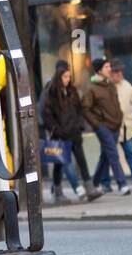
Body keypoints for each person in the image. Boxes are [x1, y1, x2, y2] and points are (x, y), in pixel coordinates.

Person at [42, 59, 102, 202]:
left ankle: (89, 189)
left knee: (81, 160)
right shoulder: (51, 93)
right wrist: (56, 130)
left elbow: (79, 110)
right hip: (61, 134)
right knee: (60, 163)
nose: (68, 79)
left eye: (69, 76)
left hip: (74, 132)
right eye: (65, 77)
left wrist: (80, 126)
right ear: (59, 77)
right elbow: (47, 114)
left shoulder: (72, 91)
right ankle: (57, 192)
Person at [81, 58, 132, 196]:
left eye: (109, 66)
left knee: (105, 156)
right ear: (99, 70)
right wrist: (97, 124)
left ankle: (94, 184)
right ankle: (122, 184)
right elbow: (85, 108)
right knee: (113, 155)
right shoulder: (91, 88)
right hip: (103, 127)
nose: (110, 69)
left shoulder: (110, 84)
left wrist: (120, 117)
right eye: (107, 67)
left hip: (115, 125)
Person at [95, 60, 132, 191]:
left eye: (120, 71)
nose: (119, 73)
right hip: (110, 126)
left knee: (130, 152)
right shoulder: (106, 86)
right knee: (107, 156)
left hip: (125, 125)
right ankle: (105, 183)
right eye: (116, 71)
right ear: (110, 73)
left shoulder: (127, 85)